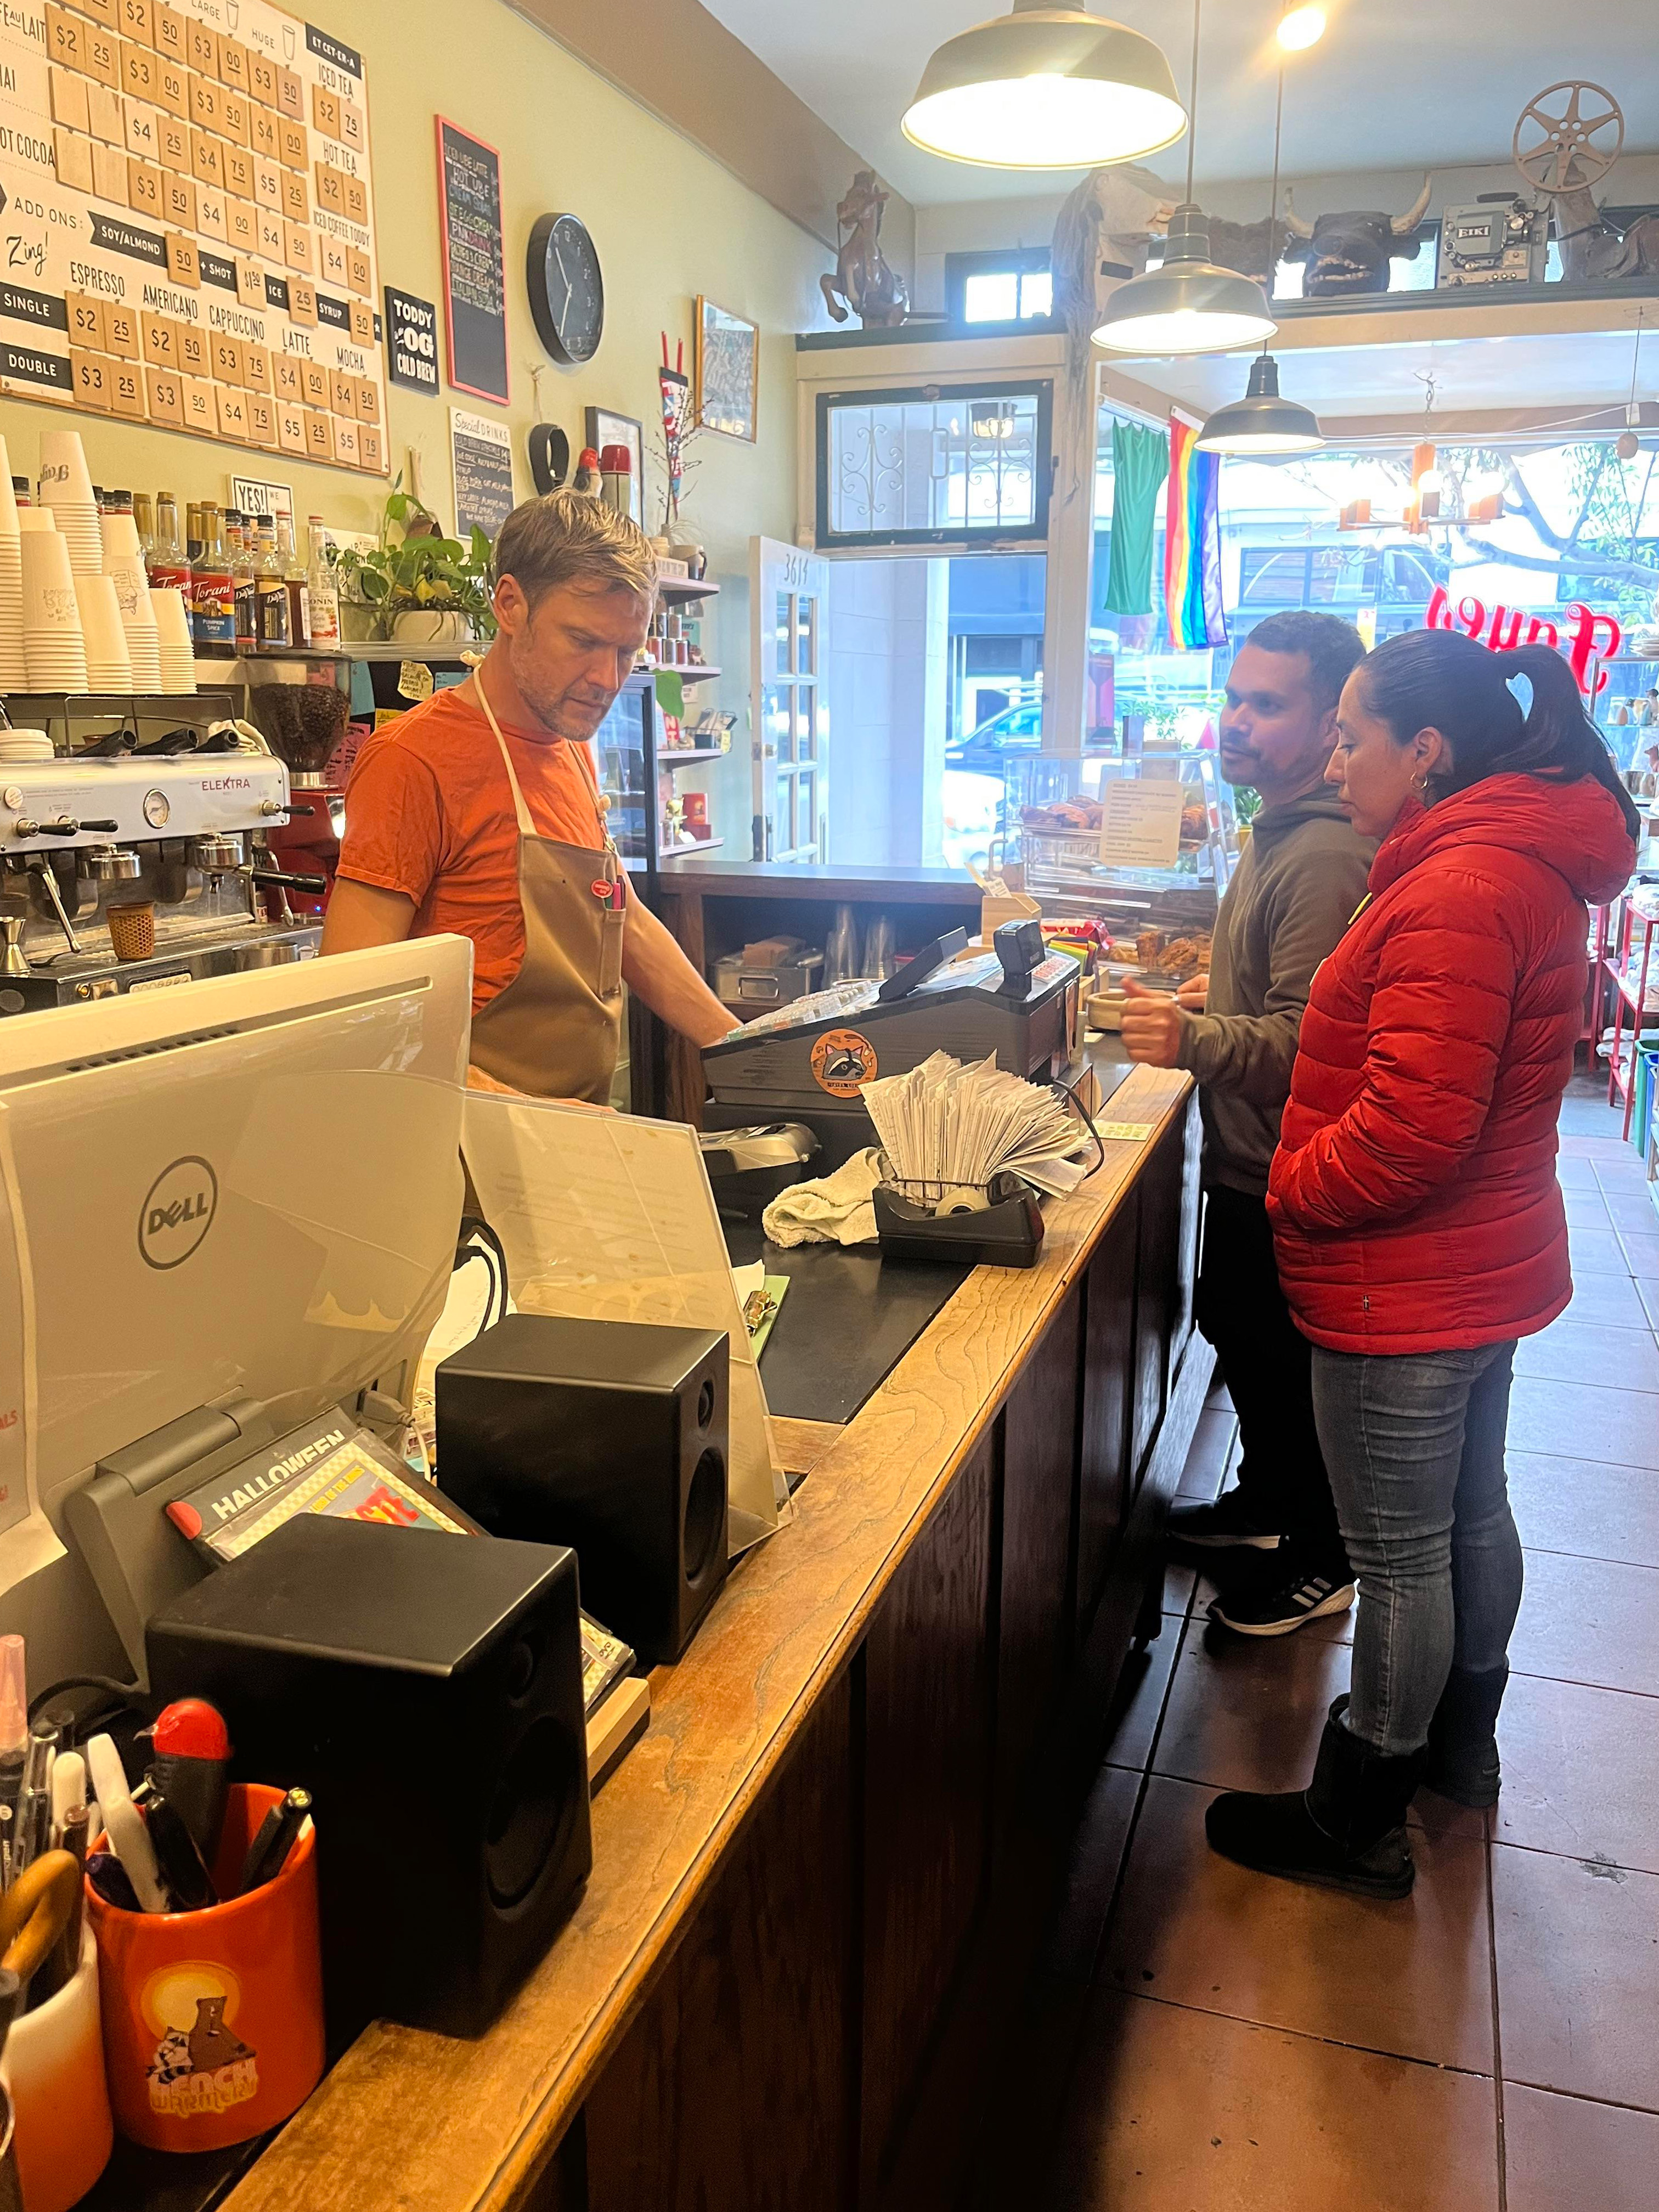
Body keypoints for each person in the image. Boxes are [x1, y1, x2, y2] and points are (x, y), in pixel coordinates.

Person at [1206, 629, 1639, 1898]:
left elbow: (1414, 1126)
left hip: (1408, 1276)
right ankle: (1462, 1752)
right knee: (1466, 1515)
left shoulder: (1458, 885)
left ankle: (1362, 1807)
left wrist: (1294, 1186)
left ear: (1427, 750)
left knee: (1397, 1554)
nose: (1338, 761)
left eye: (1350, 737)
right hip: (1478, 1263)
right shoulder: (1507, 860)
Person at [1120, 611, 1372, 1637]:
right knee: (1238, 1330)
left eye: (1267, 705)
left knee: (1277, 1357)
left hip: (1283, 1170)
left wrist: (1187, 1037)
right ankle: (1267, 1508)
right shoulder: (1274, 824)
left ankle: (1321, 1559)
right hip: (1244, 1161)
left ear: (1329, 727)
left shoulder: (1316, 854)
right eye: (1232, 696)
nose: (1234, 721)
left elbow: (1304, 1044)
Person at [321, 492, 732, 1102]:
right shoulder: (413, 760)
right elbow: (353, 1004)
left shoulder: (568, 741)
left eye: (626, 652)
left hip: (569, 1134)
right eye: (584, 642)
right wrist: (530, 1126)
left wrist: (745, 1047)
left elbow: (629, 923)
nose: (606, 680)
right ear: (511, 605)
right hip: (465, 1159)